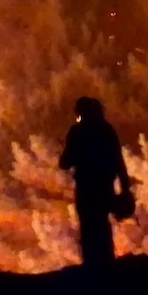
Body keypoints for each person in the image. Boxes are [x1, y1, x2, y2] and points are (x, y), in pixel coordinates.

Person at [58, 97, 135, 267]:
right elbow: (118, 162)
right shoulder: (106, 130)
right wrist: (125, 189)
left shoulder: (77, 132)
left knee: (88, 228)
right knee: (101, 226)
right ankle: (106, 265)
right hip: (104, 188)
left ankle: (93, 269)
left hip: (86, 190)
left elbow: (65, 162)